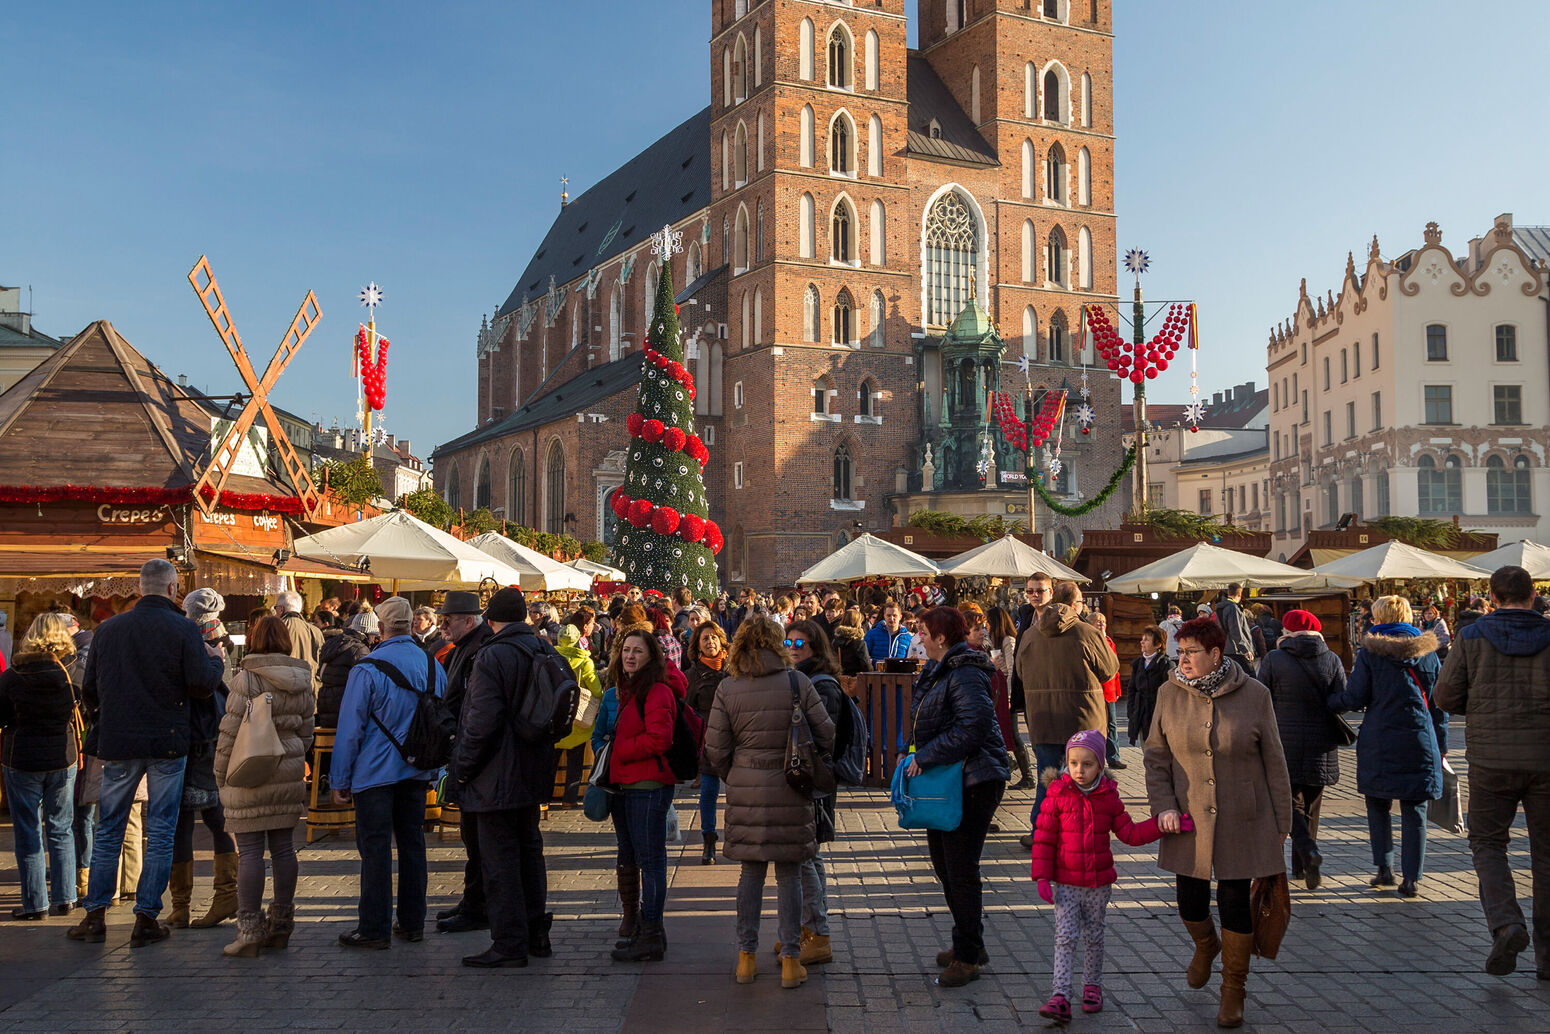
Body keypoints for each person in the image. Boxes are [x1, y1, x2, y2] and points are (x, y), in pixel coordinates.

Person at [67, 559, 224, 947]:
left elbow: (90, 690)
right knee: (160, 830)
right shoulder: (184, 629)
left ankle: (95, 914)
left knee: (109, 829)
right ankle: (146, 916)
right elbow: (202, 684)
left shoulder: (108, 630)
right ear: (172, 589)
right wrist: (217, 663)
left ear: (141, 587)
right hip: (168, 742)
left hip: (119, 742)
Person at [1144, 616, 1291, 1029]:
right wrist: (1164, 806)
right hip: (1187, 815)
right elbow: (1155, 757)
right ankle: (1206, 946)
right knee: (1189, 900)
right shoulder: (1168, 693)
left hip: (1246, 814)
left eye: (1191, 652)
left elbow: (1275, 761)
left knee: (1233, 902)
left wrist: (1283, 820)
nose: (1183, 659)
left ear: (1215, 654)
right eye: (1180, 651)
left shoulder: (1255, 694)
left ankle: (1233, 990)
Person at [703, 617, 834, 989]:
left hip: (746, 785)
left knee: (751, 873)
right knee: (790, 874)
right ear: (778, 643)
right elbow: (827, 732)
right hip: (791, 785)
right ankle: (792, 960)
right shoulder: (797, 681)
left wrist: (737, 772)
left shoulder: (728, 687)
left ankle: (746, 958)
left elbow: (715, 747)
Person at [1436, 565, 1550, 978]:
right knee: (1546, 855)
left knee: (1487, 844)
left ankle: (1506, 923)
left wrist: (1482, 707)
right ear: (1534, 594)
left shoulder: (1471, 636)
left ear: (1493, 596)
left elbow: (1445, 696)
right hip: (1545, 759)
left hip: (1490, 759)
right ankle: (1548, 959)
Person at [1032, 729, 1182, 1021]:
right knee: (1065, 938)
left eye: (1087, 764)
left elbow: (1130, 833)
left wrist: (1160, 825)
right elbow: (1044, 839)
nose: (1079, 770)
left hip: (1098, 885)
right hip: (1066, 883)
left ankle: (1092, 987)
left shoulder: (1108, 798)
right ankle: (1060, 995)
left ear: (1100, 765)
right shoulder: (1057, 794)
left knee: (1094, 937)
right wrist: (1041, 876)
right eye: (1073, 763)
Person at [451, 587, 561, 968]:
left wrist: (460, 771)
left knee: (499, 862)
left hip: (496, 775)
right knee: (530, 853)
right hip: (534, 769)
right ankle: (536, 934)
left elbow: (479, 723)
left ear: (491, 620)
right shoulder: (543, 648)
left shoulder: (493, 654)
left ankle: (509, 943)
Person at [330, 596, 446, 950]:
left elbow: (350, 729)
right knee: (413, 845)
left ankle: (374, 927)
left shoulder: (367, 667)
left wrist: (340, 779)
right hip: (416, 771)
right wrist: (436, 768)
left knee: (376, 849)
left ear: (380, 628)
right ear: (412, 624)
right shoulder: (432, 665)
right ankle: (412, 923)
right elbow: (441, 720)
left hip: (374, 774)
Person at [904, 607, 1008, 988]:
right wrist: (909, 749)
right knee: (946, 866)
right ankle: (970, 942)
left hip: (975, 779)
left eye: (923, 631)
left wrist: (926, 757)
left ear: (942, 637)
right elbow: (926, 721)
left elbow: (974, 725)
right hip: (950, 779)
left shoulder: (964, 671)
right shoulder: (938, 669)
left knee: (960, 869)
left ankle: (968, 956)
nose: (919, 637)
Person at [1328, 595, 1444, 899]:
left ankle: (1384, 868)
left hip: (1379, 737)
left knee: (1378, 804)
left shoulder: (1370, 653)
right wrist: (1441, 744)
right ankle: (1412, 879)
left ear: (1379, 618)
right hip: (1419, 738)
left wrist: (1327, 702)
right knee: (1415, 809)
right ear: (1407, 616)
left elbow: (1355, 698)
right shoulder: (1429, 653)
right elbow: (1438, 703)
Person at [212, 617, 314, 957]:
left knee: (251, 852)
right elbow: (307, 732)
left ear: (254, 640)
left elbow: (228, 735)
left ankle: (250, 931)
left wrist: (220, 775)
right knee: (284, 849)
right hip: (287, 769)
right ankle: (281, 925)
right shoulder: (303, 679)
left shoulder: (247, 678)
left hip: (249, 769)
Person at [1015, 582, 1118, 848]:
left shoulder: (1029, 635)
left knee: (1047, 779)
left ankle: (1042, 832)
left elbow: (1020, 672)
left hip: (1043, 719)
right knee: (1085, 781)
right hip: (1082, 720)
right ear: (1075, 604)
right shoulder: (1087, 632)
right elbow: (1109, 669)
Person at [1254, 609, 1345, 890]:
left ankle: (1307, 852)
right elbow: (1343, 698)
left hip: (1283, 741)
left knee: (1287, 801)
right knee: (1312, 804)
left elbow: (1260, 696)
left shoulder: (1275, 658)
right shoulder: (1331, 658)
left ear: (1288, 631)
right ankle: (1305, 863)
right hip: (1322, 742)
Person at [605, 628, 681, 964]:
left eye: (638, 651)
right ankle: (647, 930)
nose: (630, 656)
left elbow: (659, 739)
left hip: (648, 787)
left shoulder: (657, 690)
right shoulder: (629, 689)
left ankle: (650, 932)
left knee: (651, 862)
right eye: (626, 650)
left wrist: (620, 748)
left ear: (651, 655)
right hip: (627, 785)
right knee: (636, 857)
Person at [0, 612, 80, 919]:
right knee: (61, 828)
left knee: (28, 831)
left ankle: (36, 904)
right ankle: (66, 897)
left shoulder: (14, 675)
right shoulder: (72, 671)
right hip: (63, 755)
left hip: (22, 757)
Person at [784, 619, 852, 968]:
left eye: (800, 644)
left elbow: (824, 734)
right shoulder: (800, 678)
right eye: (789, 641)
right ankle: (807, 929)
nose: (793, 648)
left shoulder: (821, 684)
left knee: (805, 856)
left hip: (814, 780)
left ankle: (816, 931)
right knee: (810, 855)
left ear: (816, 647)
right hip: (807, 778)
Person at [173, 588, 239, 930]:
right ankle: (223, 894)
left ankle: (182, 903)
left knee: (184, 821)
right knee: (218, 818)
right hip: (218, 734)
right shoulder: (223, 639)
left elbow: (198, 685)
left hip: (194, 736)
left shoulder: (191, 638)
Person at [433, 591, 495, 935]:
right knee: (471, 835)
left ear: (468, 621)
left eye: (449, 620)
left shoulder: (480, 650)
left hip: (474, 754)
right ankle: (472, 900)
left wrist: (459, 741)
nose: (444, 626)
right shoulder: (465, 648)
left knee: (476, 835)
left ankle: (477, 905)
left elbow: (475, 708)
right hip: (465, 750)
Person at [684, 621, 729, 865]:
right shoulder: (693, 675)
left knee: (737, 793)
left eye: (714, 637)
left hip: (734, 740)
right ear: (698, 645)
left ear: (722, 640)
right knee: (709, 792)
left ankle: (738, 838)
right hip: (708, 741)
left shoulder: (735, 669)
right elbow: (687, 711)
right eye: (705, 639)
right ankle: (708, 839)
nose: (710, 642)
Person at [553, 622, 601, 808]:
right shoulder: (585, 661)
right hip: (578, 718)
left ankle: (542, 798)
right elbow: (596, 690)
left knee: (551, 762)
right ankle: (569, 800)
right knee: (575, 762)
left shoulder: (551, 658)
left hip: (555, 715)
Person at [988, 605, 1035, 789]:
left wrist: (1008, 696)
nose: (987, 625)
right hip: (999, 690)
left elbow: (1012, 668)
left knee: (1013, 734)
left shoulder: (1008, 640)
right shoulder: (995, 639)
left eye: (989, 621)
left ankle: (1027, 776)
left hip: (1007, 692)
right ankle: (1013, 767)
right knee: (1006, 732)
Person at [317, 612, 377, 727]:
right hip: (344, 705)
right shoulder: (360, 650)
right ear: (367, 633)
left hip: (325, 702)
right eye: (374, 635)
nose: (374, 640)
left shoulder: (334, 642)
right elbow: (363, 684)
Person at [1088, 612, 1126, 770]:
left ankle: (1114, 756)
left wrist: (1117, 690)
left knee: (1111, 724)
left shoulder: (1109, 641)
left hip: (1109, 689)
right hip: (1094, 689)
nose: (1101, 624)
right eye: (1097, 621)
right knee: (1093, 725)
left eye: (1103, 621)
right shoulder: (1088, 641)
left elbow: (1115, 668)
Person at [1127, 625, 1169, 751]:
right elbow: (1132, 689)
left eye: (1146, 639)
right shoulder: (1138, 663)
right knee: (1146, 749)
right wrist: (1132, 710)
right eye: (1142, 638)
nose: (1142, 642)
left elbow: (1168, 694)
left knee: (1159, 751)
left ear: (1158, 645)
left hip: (1157, 714)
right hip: (1141, 712)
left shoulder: (1166, 664)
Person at [274, 591, 324, 685]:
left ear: (281, 609)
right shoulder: (315, 631)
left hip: (283, 686)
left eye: (275, 608)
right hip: (309, 686)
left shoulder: (275, 628)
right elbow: (320, 662)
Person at [1213, 583, 1255, 674]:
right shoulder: (1233, 608)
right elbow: (1236, 630)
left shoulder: (1220, 608)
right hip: (1236, 650)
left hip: (1225, 648)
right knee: (1250, 677)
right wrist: (1245, 649)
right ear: (1239, 594)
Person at [831, 607, 871, 676]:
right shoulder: (859, 643)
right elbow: (866, 666)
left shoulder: (835, 641)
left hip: (840, 679)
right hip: (856, 680)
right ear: (857, 623)